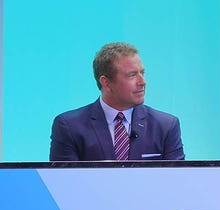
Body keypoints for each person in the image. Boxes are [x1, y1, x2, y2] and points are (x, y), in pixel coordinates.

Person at [49, 42, 185, 161]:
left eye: (142, 73)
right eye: (132, 75)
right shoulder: (69, 127)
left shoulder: (166, 126)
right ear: (106, 83)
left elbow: (176, 183)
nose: (143, 82)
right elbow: (64, 185)